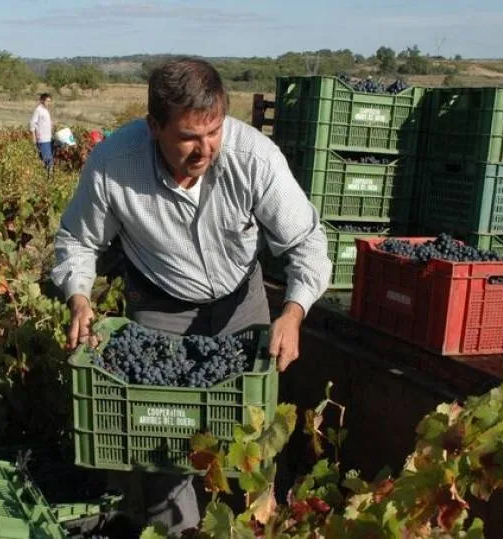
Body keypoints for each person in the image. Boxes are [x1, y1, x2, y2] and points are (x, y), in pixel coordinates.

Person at [50, 58, 332, 535]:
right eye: (187, 138)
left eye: (213, 132)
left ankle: (255, 525)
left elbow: (306, 241)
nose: (204, 150)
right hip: (160, 311)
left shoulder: (253, 157)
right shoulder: (114, 164)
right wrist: (78, 296)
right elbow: (78, 241)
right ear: (154, 126)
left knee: (251, 443)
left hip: (243, 307)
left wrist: (294, 311)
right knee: (165, 443)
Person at [29, 93, 54, 172]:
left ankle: (46, 175)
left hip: (48, 138)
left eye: (50, 101)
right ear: (42, 100)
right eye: (47, 101)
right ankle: (48, 176)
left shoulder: (45, 110)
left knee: (47, 158)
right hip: (42, 138)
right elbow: (32, 123)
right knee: (47, 159)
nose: (48, 103)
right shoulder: (38, 110)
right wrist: (33, 136)